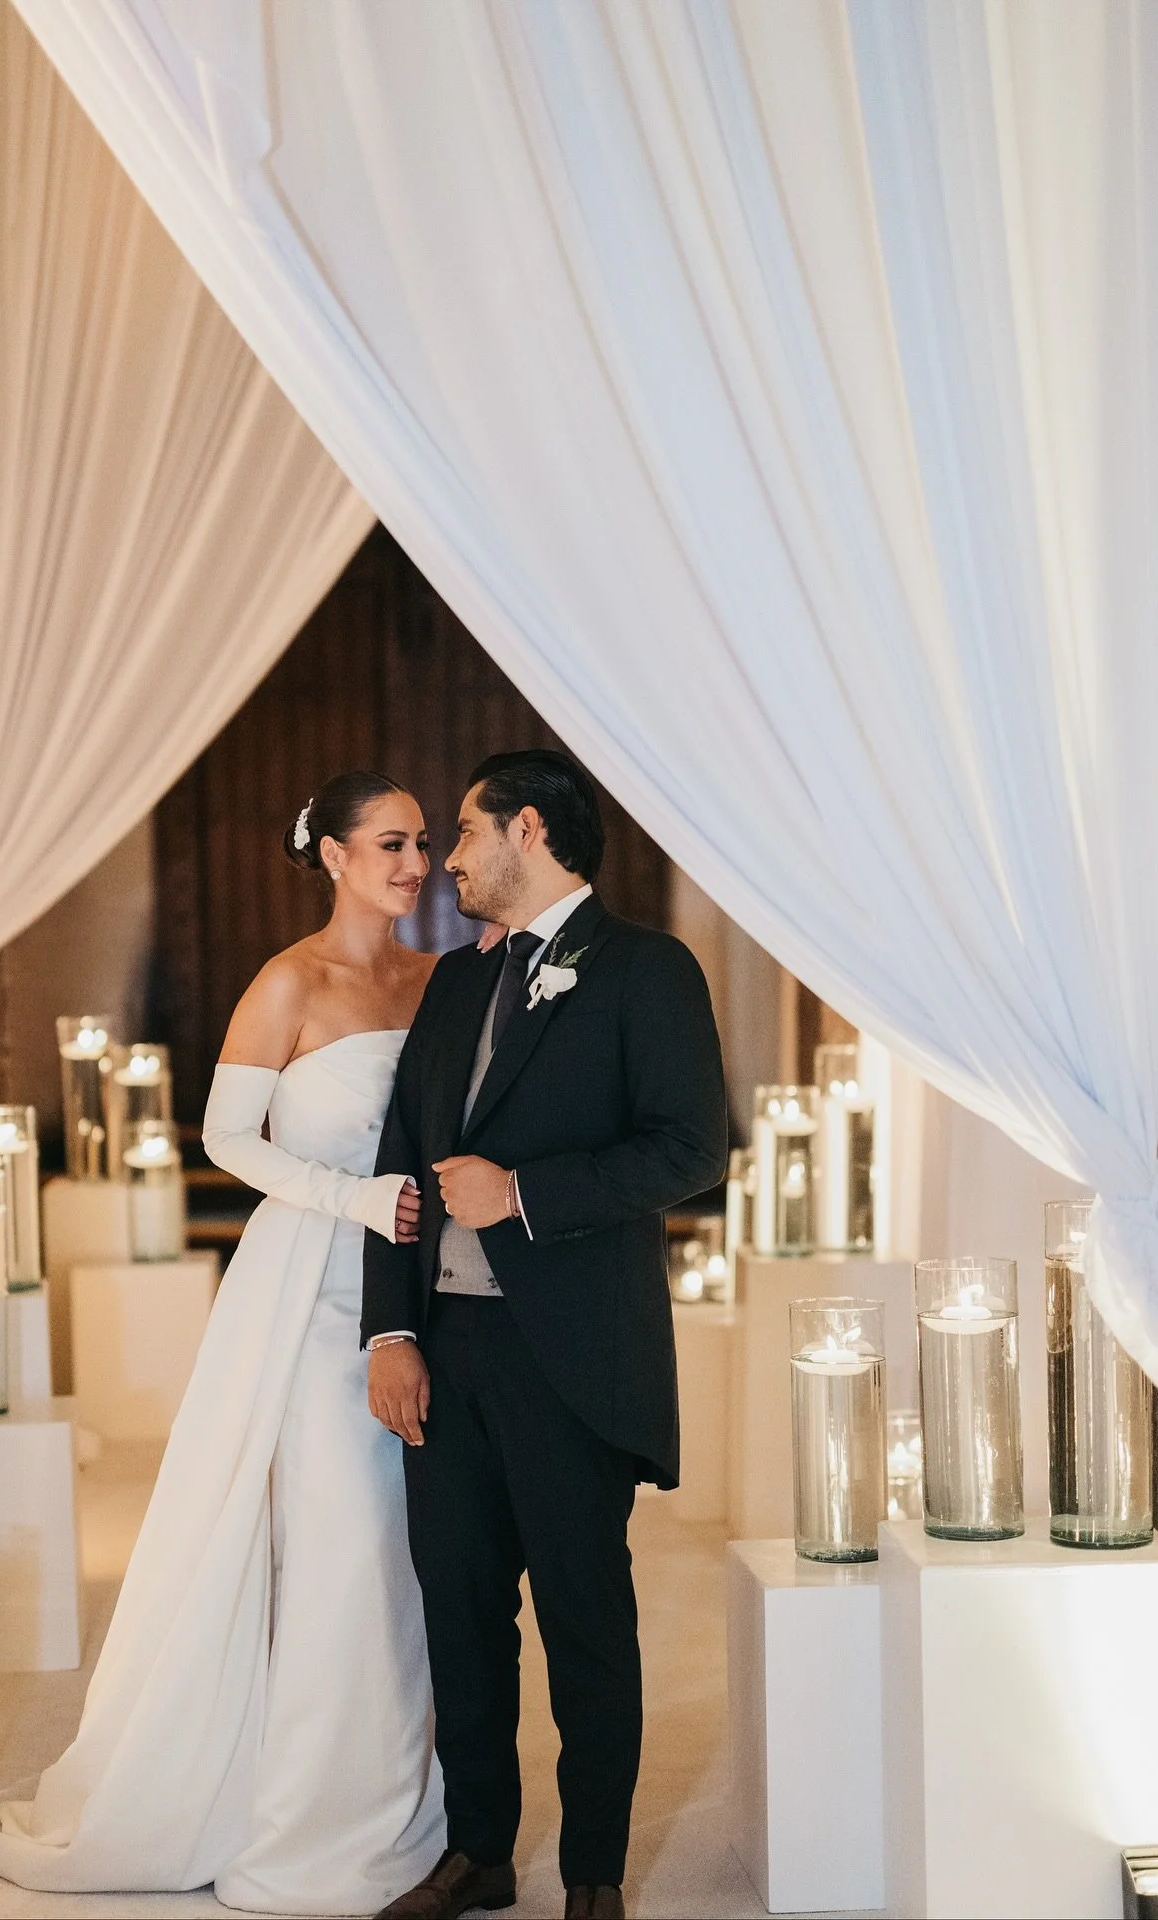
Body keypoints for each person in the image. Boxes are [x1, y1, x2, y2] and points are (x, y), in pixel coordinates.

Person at [0, 771, 446, 1912]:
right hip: (309, 1286)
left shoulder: (438, 979)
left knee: (412, 1550)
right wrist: (353, 1199)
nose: (415, 864)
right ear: (333, 855)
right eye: (390, 843)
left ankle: (392, 1801)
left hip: (424, 1283)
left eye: (423, 842)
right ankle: (311, 1825)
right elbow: (228, 1138)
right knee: (344, 1539)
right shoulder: (289, 981)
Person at [364, 750, 727, 1920]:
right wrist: (389, 1332)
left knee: (585, 1620)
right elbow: (399, 1165)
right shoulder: (455, 984)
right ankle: (477, 1853)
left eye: (467, 832)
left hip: (572, 1356)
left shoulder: (646, 969)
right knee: (459, 1612)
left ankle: (593, 1876)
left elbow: (690, 1149)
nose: (450, 861)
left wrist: (523, 1193)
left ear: (529, 830)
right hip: (445, 1351)